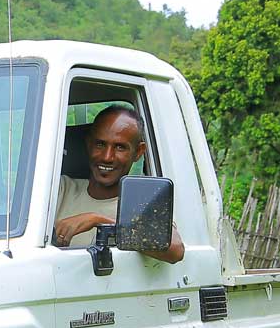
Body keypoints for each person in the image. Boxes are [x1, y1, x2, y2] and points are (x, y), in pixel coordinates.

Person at [52, 105, 184, 264]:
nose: (107, 157)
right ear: (88, 144)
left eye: (120, 147)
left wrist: (99, 221)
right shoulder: (59, 189)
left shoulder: (144, 201)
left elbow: (175, 250)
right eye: (100, 144)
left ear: (139, 152)